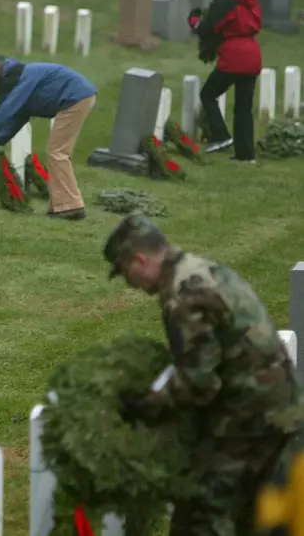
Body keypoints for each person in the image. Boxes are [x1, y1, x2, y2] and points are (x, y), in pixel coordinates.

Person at [105, 211, 304, 535]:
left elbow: (200, 384)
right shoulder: (199, 269)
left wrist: (146, 405)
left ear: (139, 260)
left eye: (125, 272)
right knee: (252, 518)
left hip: (250, 419)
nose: (131, 284)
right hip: (278, 408)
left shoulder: (184, 295)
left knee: (197, 518)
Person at [0, 59, 97, 221]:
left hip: (75, 98)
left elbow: (6, 110)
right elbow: (18, 117)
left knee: (57, 152)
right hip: (77, 97)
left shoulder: (24, 79)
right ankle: (60, 205)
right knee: (58, 152)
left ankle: (71, 206)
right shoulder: (17, 81)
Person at [189, 0, 262, 162]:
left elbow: (209, 28)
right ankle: (246, 155)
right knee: (243, 107)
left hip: (234, 56)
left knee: (208, 95)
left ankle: (220, 135)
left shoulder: (227, 1)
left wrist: (194, 22)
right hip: (252, 54)